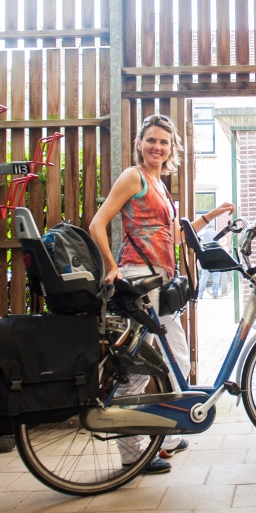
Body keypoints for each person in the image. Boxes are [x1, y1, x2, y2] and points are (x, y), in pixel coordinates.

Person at [89, 113, 234, 473]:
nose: (157, 147)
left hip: (160, 282)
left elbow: (175, 234)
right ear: (139, 143)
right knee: (139, 369)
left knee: (177, 359)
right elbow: (97, 223)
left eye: (164, 142)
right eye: (151, 140)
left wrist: (210, 216)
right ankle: (131, 452)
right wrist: (111, 266)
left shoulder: (158, 182)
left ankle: (166, 435)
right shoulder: (133, 176)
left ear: (171, 149)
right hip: (138, 278)